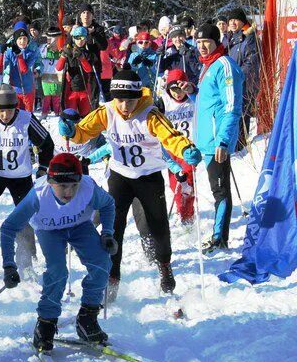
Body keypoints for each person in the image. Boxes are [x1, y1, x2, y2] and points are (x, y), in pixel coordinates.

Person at [58, 70, 202, 301]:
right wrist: (72, 131)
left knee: (158, 225)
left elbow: (171, 136)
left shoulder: (150, 114)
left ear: (138, 97)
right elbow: (84, 130)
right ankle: (112, 278)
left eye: (130, 100)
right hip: (120, 176)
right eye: (120, 100)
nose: (125, 106)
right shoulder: (107, 111)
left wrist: (186, 149)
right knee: (113, 229)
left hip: (149, 177)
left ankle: (164, 264)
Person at [1, 153, 116, 351]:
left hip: (80, 226)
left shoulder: (88, 188)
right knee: (58, 272)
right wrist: (8, 265)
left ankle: (87, 318)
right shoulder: (38, 195)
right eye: (62, 186)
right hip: (49, 230)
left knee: (102, 263)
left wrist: (106, 233)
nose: (69, 192)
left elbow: (108, 205)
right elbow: (8, 228)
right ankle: (46, 322)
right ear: (50, 181)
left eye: (73, 185)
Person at [0, 84, 54, 264]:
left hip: (20, 176)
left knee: (25, 215)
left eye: (9, 110)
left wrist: (43, 167)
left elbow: (47, 143)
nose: (5, 115)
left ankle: (28, 257)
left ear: (16, 107)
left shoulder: (26, 119)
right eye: (1, 111)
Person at [186, 24, 243, 253]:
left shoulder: (224, 65)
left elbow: (232, 107)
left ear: (216, 42)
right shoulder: (208, 66)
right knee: (216, 190)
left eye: (206, 42)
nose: (201, 46)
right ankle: (220, 237)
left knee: (220, 192)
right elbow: (208, 103)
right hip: (206, 141)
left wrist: (224, 140)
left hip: (217, 142)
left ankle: (219, 238)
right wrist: (190, 92)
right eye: (198, 42)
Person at [156, 69, 197, 225]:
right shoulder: (163, 102)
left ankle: (187, 216)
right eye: (173, 90)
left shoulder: (193, 99)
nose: (177, 93)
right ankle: (183, 210)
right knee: (175, 186)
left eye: (180, 89)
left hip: (188, 149)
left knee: (186, 182)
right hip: (170, 150)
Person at [224, 8, 259, 152]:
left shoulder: (248, 38)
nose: (232, 22)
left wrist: (236, 76)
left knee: (241, 120)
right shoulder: (229, 39)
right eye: (230, 20)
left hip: (243, 86)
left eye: (235, 19)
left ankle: (240, 151)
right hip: (229, 85)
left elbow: (251, 62)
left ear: (242, 21)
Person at [56, 26, 99, 117]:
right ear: (73, 38)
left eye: (82, 37)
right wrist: (63, 55)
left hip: (84, 90)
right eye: (77, 38)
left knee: (85, 116)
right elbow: (59, 68)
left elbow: (88, 69)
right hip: (71, 91)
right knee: (71, 116)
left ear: (86, 38)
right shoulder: (68, 51)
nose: (80, 41)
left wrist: (82, 58)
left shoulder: (88, 53)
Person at [2, 24, 42, 112]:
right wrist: (2, 54)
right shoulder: (10, 51)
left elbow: (24, 70)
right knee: (15, 113)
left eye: (24, 38)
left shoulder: (31, 53)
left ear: (28, 40)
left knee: (27, 114)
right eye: (20, 39)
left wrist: (19, 55)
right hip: (14, 88)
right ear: (15, 40)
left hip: (27, 88)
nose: (22, 41)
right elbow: (1, 67)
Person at [39, 27, 64, 117]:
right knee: (47, 96)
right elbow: (40, 56)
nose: (52, 41)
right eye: (49, 38)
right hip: (46, 75)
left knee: (56, 95)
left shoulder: (61, 48)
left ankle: (57, 112)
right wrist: (47, 49)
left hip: (57, 74)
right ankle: (44, 112)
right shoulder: (43, 48)